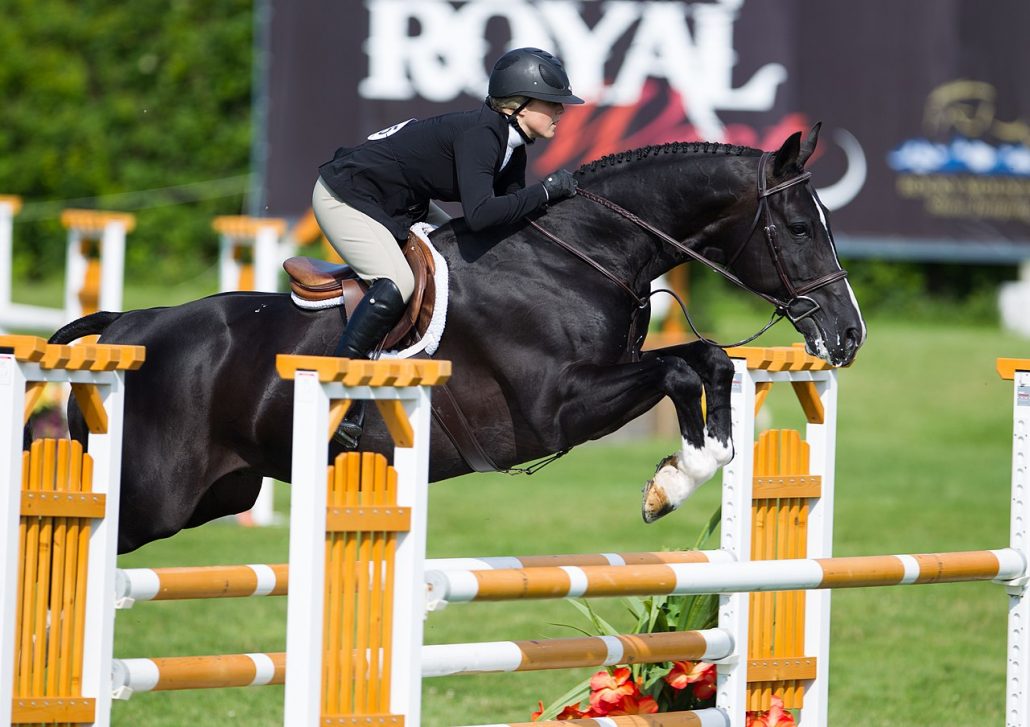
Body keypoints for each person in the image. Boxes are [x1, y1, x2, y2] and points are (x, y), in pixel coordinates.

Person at [313, 47, 584, 446]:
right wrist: (546, 191)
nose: (561, 111)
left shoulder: (513, 145)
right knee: (397, 283)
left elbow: (507, 221)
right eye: (553, 103)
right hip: (347, 197)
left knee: (465, 263)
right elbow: (480, 214)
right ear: (520, 106)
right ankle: (340, 390)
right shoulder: (483, 135)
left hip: (400, 203)